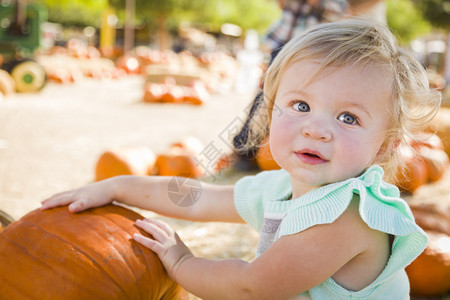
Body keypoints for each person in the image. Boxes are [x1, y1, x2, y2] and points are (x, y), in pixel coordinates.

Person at [41, 20, 441, 299]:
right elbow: (195, 197)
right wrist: (116, 186)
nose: (316, 129)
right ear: (271, 112)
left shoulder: (349, 217)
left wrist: (180, 262)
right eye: (300, 105)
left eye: (348, 117)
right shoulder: (280, 188)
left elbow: (252, 286)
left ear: (386, 146)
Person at [232, 0, 386, 170]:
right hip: (290, 37)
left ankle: (304, 152)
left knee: (315, 99)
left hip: (322, 43)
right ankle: (246, 148)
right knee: (268, 94)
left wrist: (347, 11)